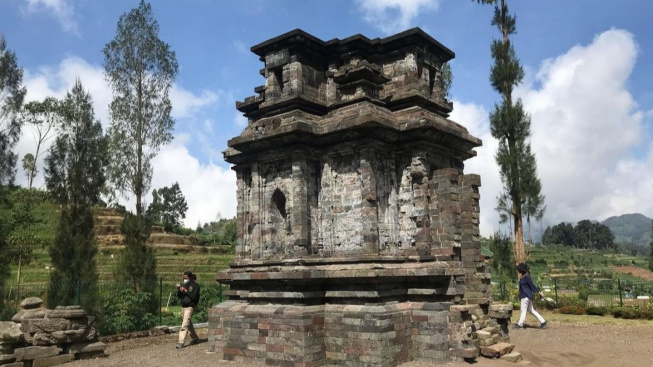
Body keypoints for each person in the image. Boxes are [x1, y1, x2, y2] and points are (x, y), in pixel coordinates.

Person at [515, 263, 547, 329]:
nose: (518, 271)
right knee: (531, 310)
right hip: (527, 296)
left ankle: (520, 324)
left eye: (519, 269)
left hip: (525, 296)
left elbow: (532, 286)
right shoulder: (524, 276)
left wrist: (539, 292)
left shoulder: (526, 277)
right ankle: (543, 321)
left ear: (521, 270)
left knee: (523, 310)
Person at [175, 271, 201, 349]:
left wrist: (186, 291)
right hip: (183, 306)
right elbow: (179, 296)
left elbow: (194, 297)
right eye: (183, 278)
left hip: (190, 307)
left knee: (184, 324)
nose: (184, 279)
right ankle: (195, 337)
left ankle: (181, 342)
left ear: (190, 277)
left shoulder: (195, 286)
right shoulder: (185, 285)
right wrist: (179, 290)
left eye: (186, 278)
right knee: (188, 324)